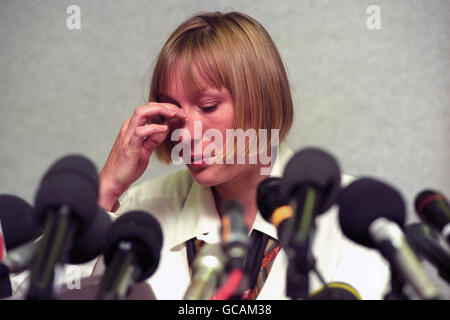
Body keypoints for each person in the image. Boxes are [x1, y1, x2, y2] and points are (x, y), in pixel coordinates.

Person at [93, 11, 390, 300]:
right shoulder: (142, 211)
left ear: (261, 99)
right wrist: (106, 191)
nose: (184, 134)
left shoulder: (351, 217)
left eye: (208, 106)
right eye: (172, 111)